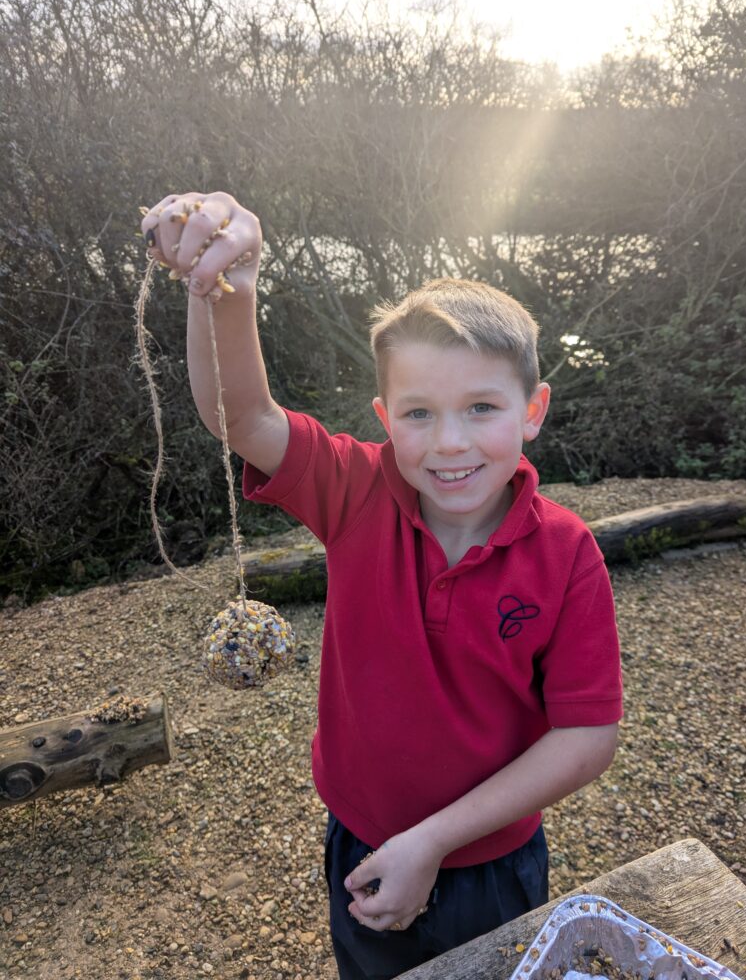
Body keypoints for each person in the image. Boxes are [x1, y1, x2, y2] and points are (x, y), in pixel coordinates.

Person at [141, 192, 623, 980]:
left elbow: (586, 735)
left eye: (481, 408)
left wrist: (432, 841)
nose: (451, 442)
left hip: (490, 867)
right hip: (359, 840)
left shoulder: (567, 553)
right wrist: (228, 290)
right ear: (383, 416)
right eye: (419, 414)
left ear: (532, 410)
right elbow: (241, 416)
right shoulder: (354, 491)